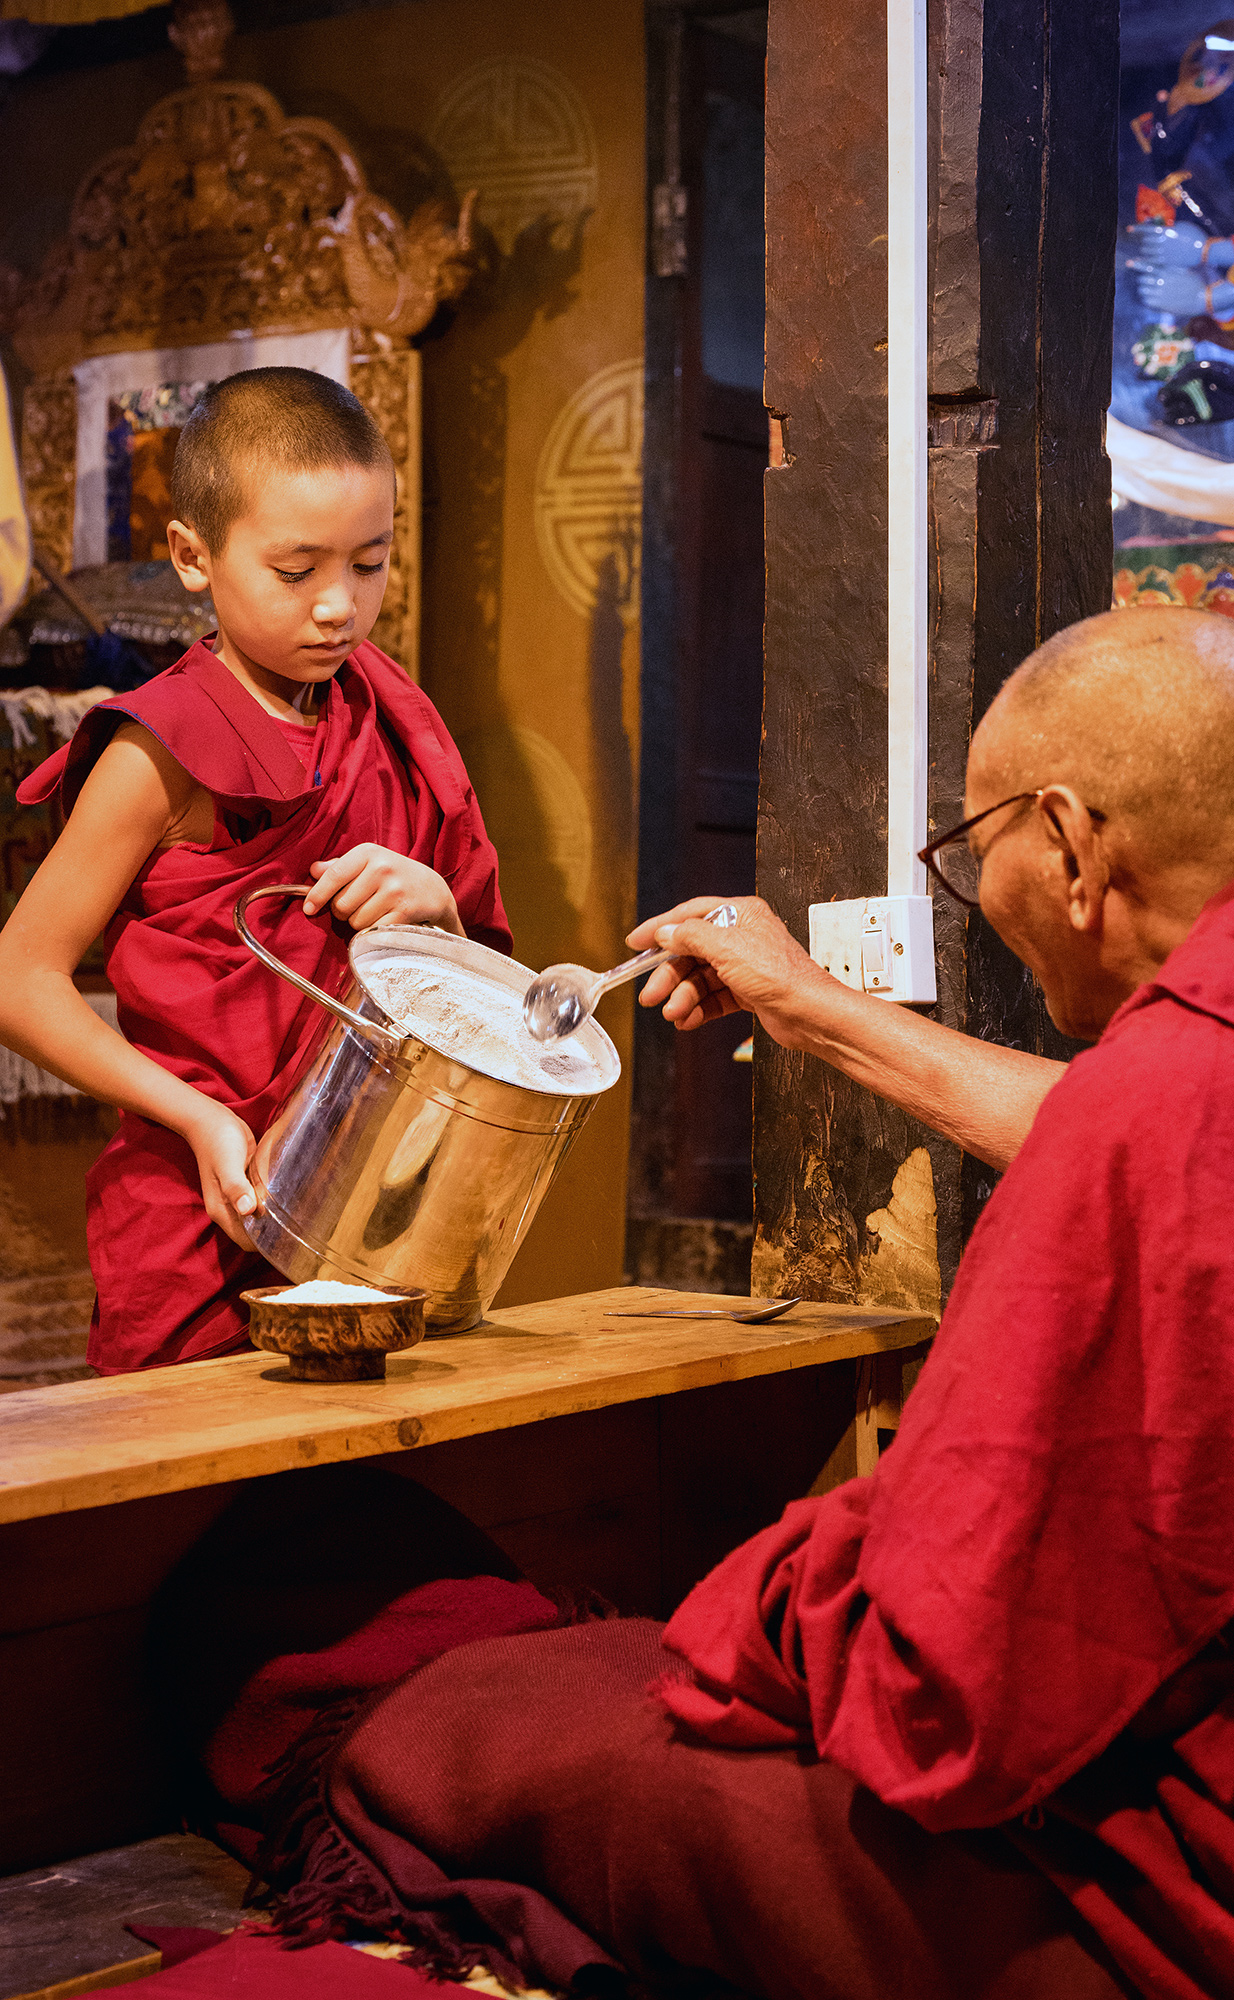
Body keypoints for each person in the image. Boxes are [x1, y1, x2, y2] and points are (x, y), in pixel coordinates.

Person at [160, 606, 1234, 2000]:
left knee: (499, 1730)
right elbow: (1121, 1120)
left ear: (1074, 845)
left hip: (1149, 1888)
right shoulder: (1167, 1088)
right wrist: (806, 1003)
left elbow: (950, 1694)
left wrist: (785, 1591)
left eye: (971, 854)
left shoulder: (1151, 1110)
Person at [0, 367, 508, 1374]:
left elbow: (491, 985)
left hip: (379, 1197)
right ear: (193, 555)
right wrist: (199, 1118)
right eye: (295, 570)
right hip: (200, 1199)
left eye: (370, 563)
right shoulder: (164, 748)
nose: (339, 606)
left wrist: (435, 907)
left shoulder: (390, 720)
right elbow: (18, 979)